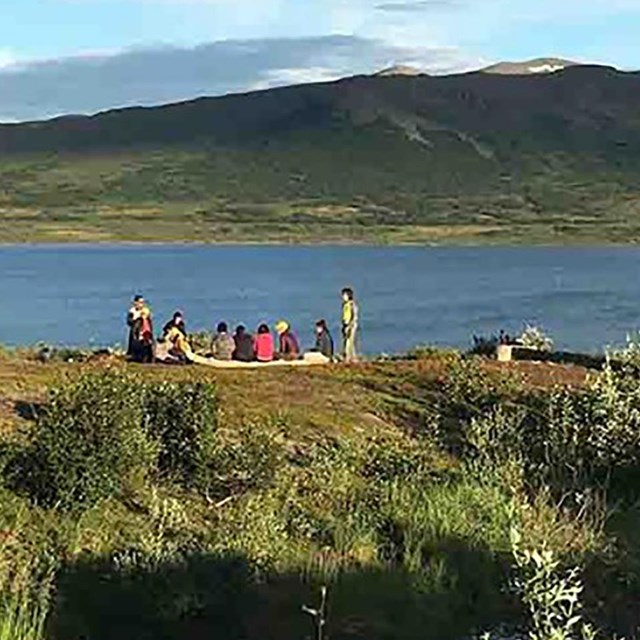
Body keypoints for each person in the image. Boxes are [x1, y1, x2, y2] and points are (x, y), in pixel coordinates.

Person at [126, 295, 154, 363]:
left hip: (145, 331)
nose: (141, 304)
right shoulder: (132, 311)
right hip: (136, 332)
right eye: (140, 302)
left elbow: (149, 322)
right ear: (136, 303)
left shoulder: (146, 311)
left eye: (142, 302)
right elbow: (129, 322)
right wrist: (137, 318)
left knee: (146, 346)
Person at [341, 287, 359, 363]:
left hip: (350, 325)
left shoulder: (352, 305)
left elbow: (353, 316)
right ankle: (352, 357)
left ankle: (348, 358)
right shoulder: (345, 304)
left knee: (349, 342)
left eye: (344, 295)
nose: (343, 297)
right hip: (346, 324)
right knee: (347, 341)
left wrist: (349, 326)